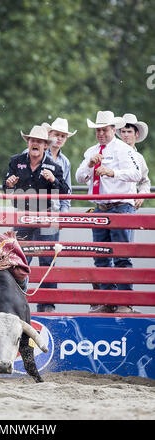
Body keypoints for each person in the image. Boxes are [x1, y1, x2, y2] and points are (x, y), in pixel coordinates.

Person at [75, 110, 142, 313]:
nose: (101, 133)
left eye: (104, 129)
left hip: (120, 206)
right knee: (101, 256)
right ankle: (107, 299)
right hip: (100, 207)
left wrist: (113, 172)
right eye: (98, 130)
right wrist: (89, 165)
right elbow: (79, 178)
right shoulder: (91, 151)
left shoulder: (124, 150)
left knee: (121, 256)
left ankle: (123, 302)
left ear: (113, 129)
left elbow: (136, 174)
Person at [3, 125, 69, 313]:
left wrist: (53, 181)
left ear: (45, 146)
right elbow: (6, 187)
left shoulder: (54, 167)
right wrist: (8, 184)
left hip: (46, 216)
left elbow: (64, 191)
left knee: (48, 260)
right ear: (28, 142)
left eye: (39, 141)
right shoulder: (16, 161)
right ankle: (15, 304)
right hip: (23, 216)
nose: (35, 144)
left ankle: (47, 306)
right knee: (18, 261)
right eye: (32, 140)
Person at [116, 113, 151, 212]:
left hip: (128, 205)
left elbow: (145, 182)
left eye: (129, 131)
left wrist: (142, 195)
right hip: (110, 203)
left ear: (136, 133)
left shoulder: (139, 158)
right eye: (123, 131)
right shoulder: (113, 153)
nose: (126, 134)